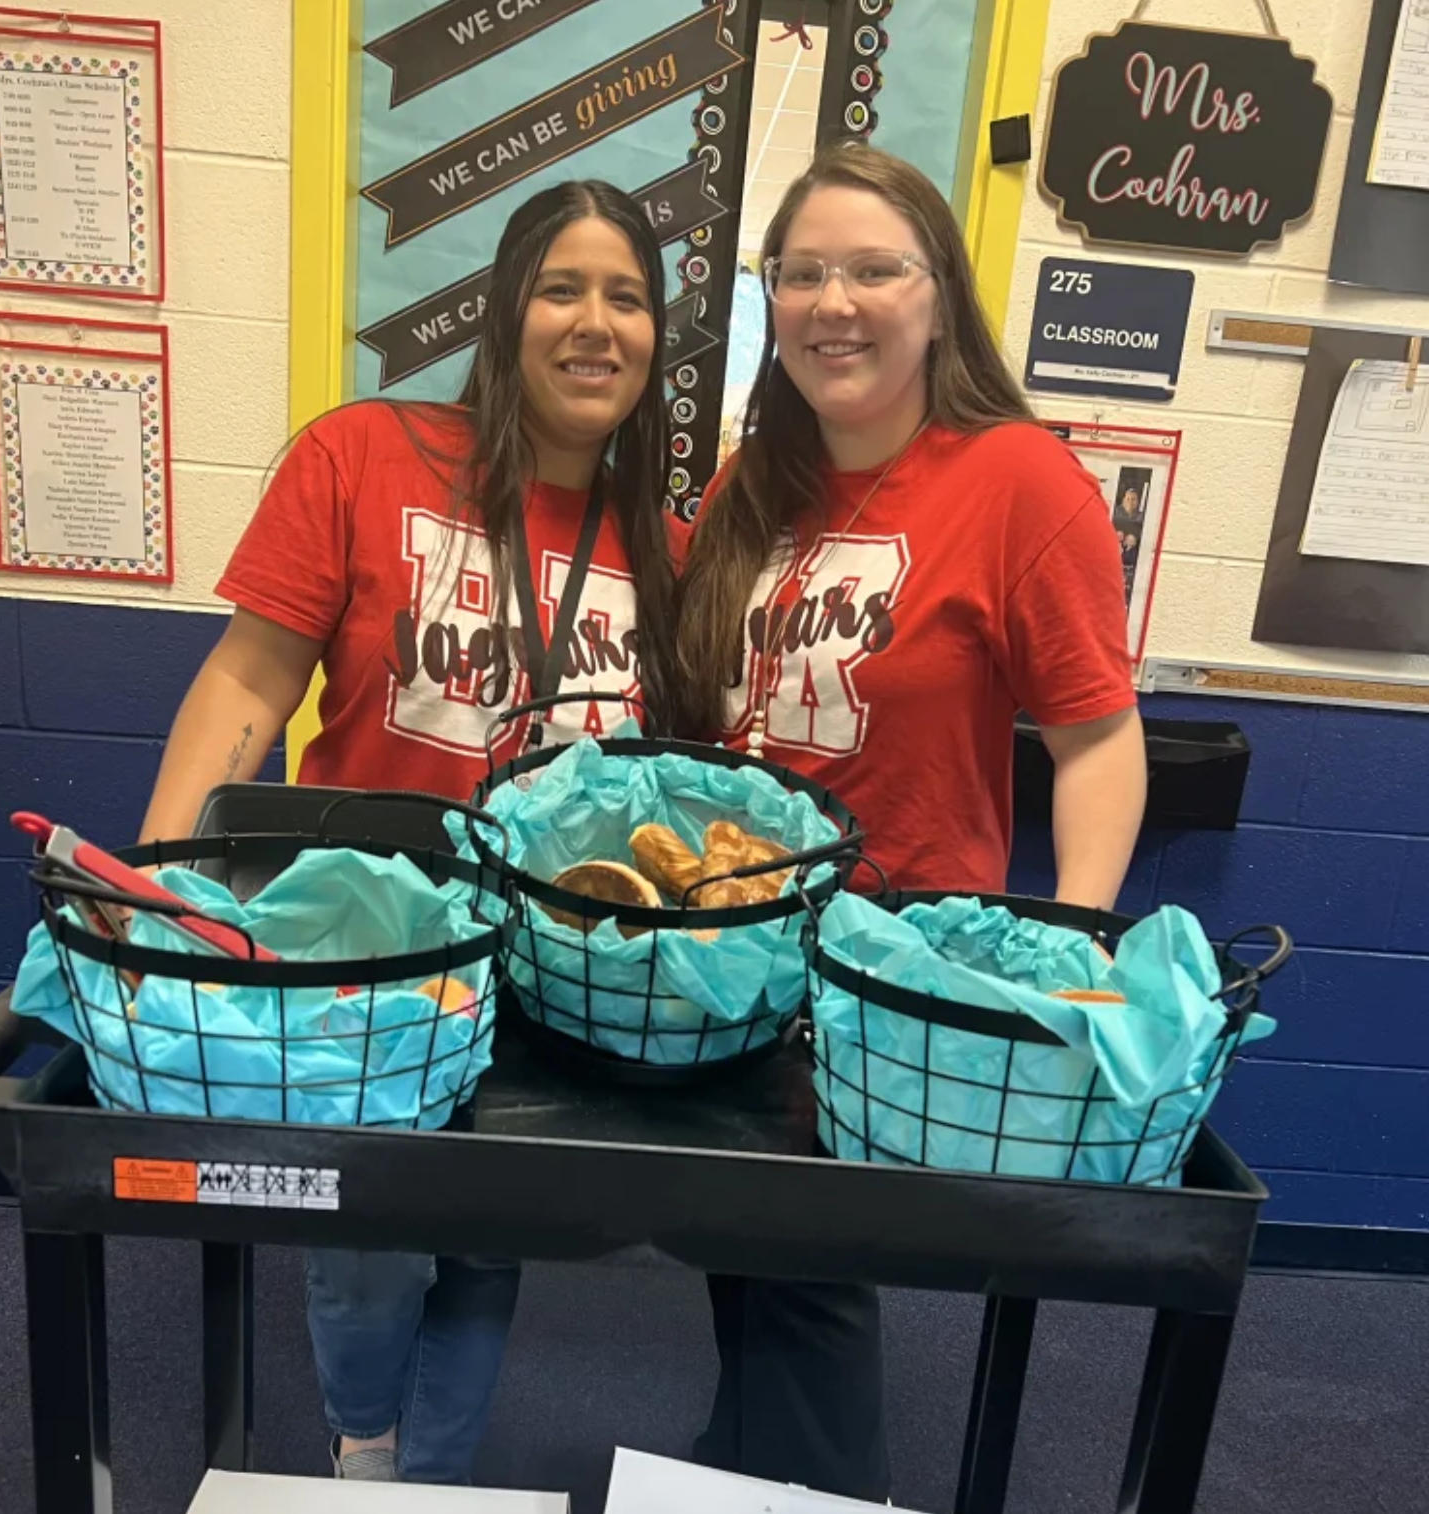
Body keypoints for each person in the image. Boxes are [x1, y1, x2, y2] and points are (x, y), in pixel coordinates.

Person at [137, 179, 682, 1484]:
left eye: (627, 296)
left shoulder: (667, 546)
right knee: (367, 1244)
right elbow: (248, 683)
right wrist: (151, 897)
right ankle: (365, 1451)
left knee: (491, 1243)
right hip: (368, 956)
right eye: (562, 287)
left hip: (543, 971)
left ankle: (432, 1486)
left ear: (660, 336)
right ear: (505, 310)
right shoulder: (363, 454)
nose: (594, 322)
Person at [673, 144, 1147, 1500]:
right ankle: (736, 1460)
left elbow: (1098, 738)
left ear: (939, 297)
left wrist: (1074, 940)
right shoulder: (748, 487)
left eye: (874, 269)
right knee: (743, 1249)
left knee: (814, 1282)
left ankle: (802, 1483)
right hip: (741, 955)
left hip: (891, 971)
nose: (835, 300)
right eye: (803, 272)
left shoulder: (1019, 481)